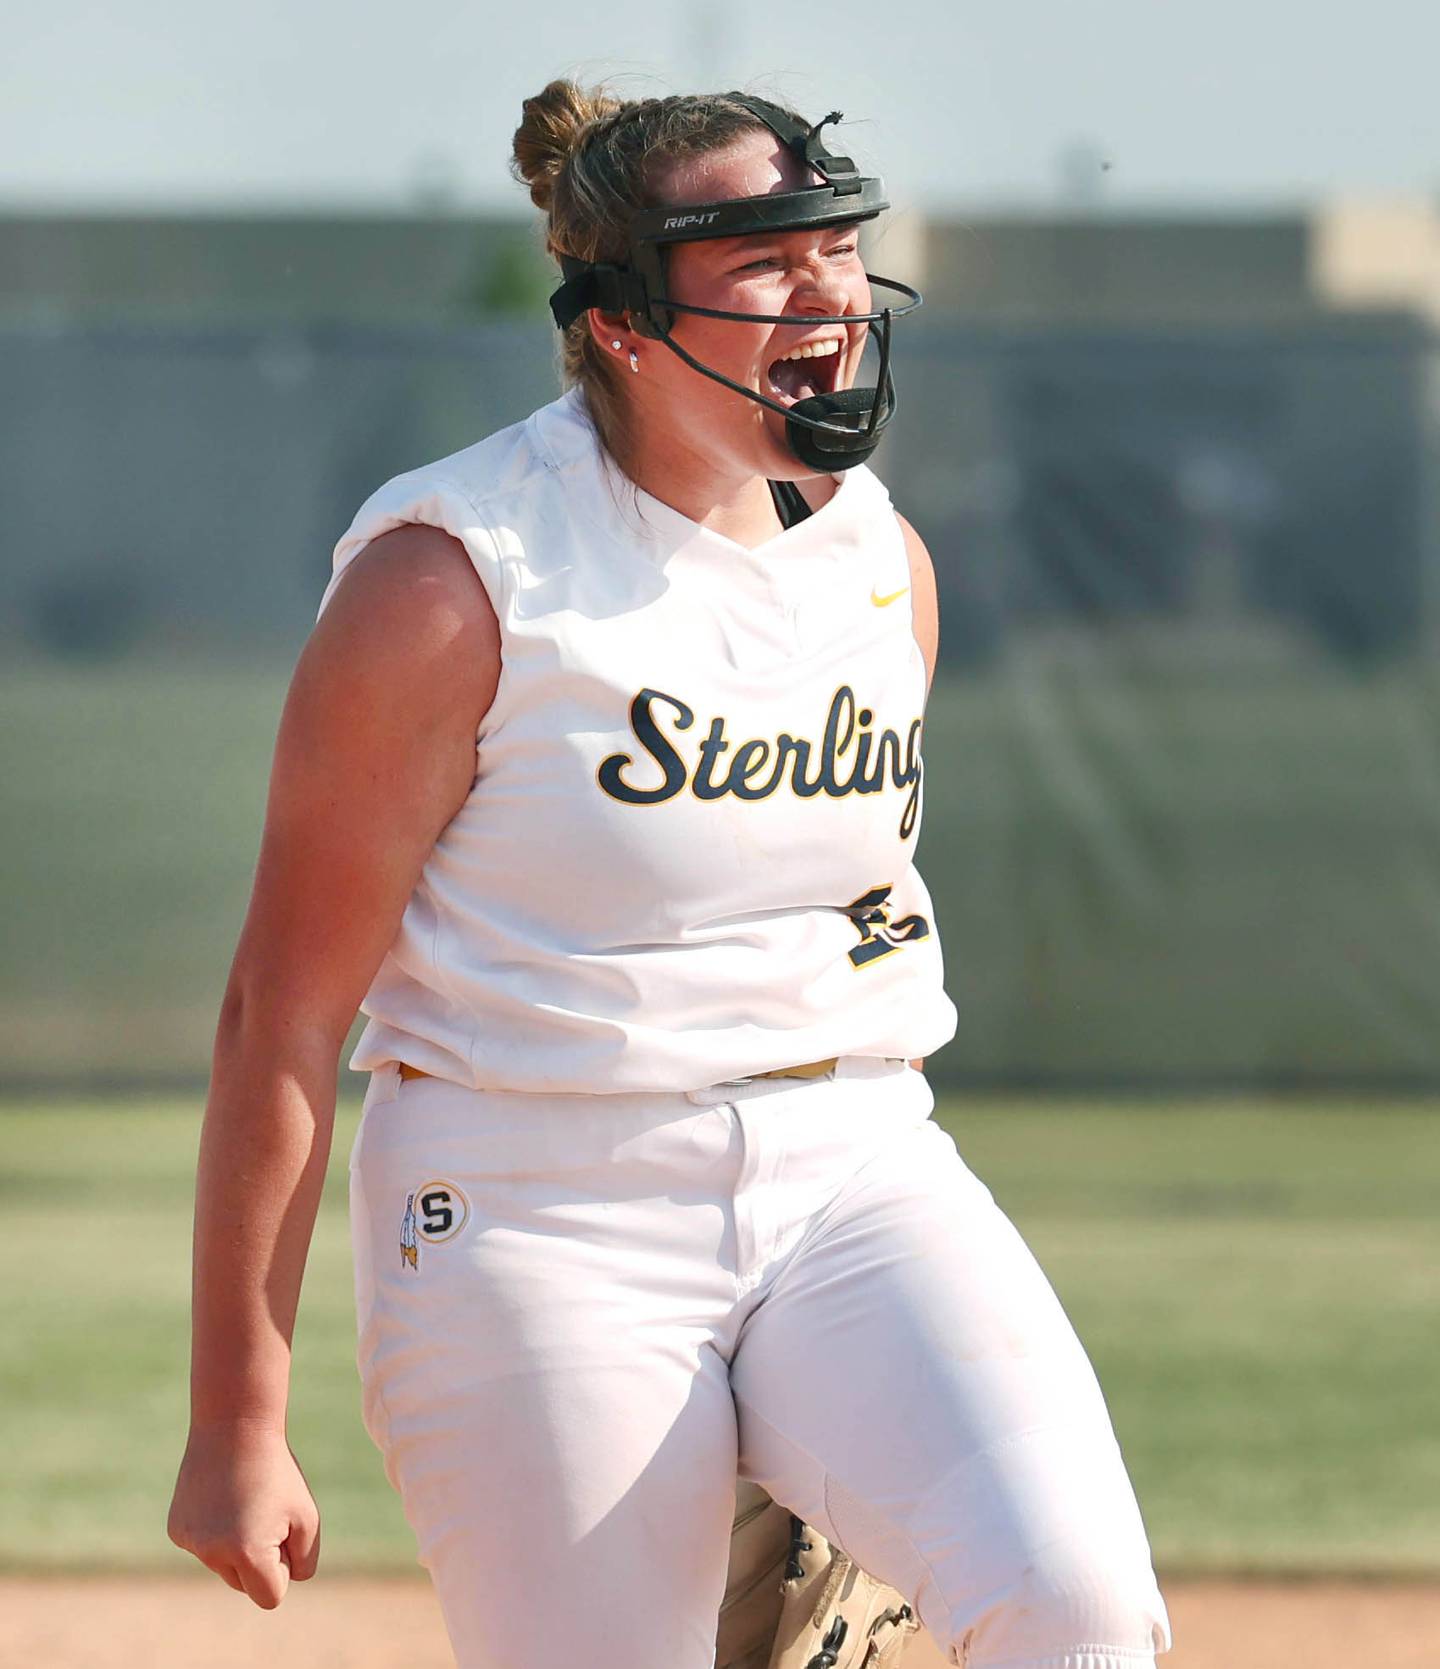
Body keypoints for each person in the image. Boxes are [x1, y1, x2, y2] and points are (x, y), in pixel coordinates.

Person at [166, 79, 1171, 1669]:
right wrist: (239, 1413)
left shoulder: (874, 556)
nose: (829, 287)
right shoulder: (456, 579)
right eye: (765, 256)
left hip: (851, 1159)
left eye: (836, 244)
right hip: (534, 1199)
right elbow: (279, 1010)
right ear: (625, 321)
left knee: (1079, 1605)